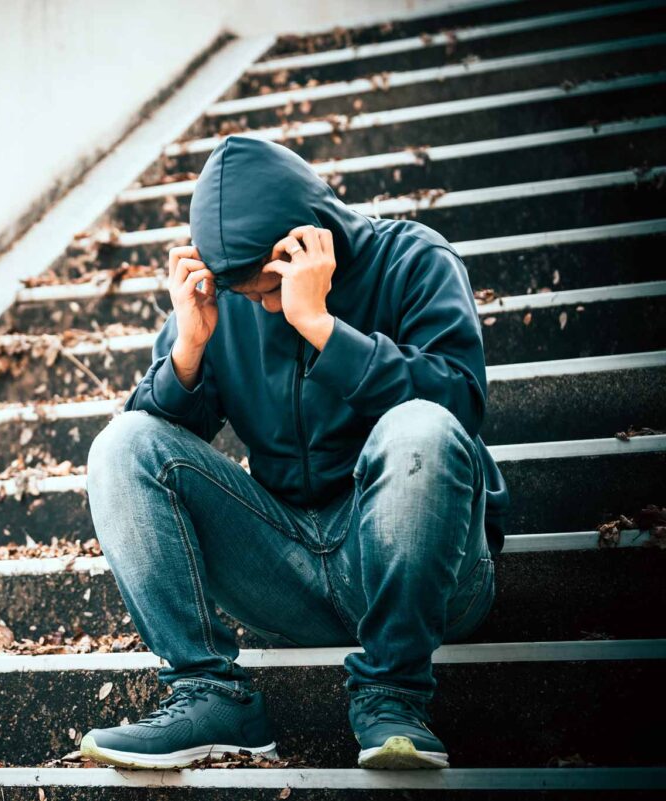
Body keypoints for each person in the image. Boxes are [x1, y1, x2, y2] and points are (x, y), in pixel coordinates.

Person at [80, 136, 510, 770]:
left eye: (269, 289)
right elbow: (154, 460)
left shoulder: (413, 260)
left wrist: (323, 328)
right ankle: (210, 695)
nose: (263, 307)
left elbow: (458, 403)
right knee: (122, 442)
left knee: (419, 426)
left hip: (425, 569)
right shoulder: (224, 301)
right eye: (249, 296)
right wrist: (188, 352)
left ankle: (392, 695)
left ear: (309, 243)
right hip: (290, 570)